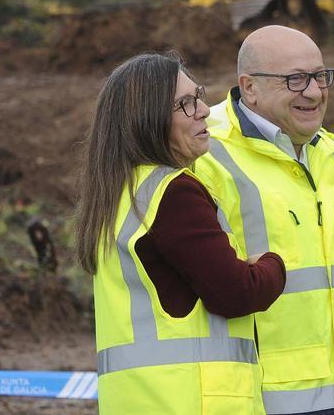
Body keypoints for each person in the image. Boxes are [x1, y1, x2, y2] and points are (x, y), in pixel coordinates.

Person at [72, 52, 286, 414]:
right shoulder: (174, 192)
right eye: (184, 104)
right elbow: (235, 293)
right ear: (148, 120)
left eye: (198, 95)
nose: (203, 110)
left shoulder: (119, 194)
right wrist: (272, 264)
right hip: (196, 401)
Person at [193, 25, 334, 415]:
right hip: (258, 400)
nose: (314, 91)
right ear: (250, 87)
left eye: (321, 77)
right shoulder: (205, 155)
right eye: (295, 79)